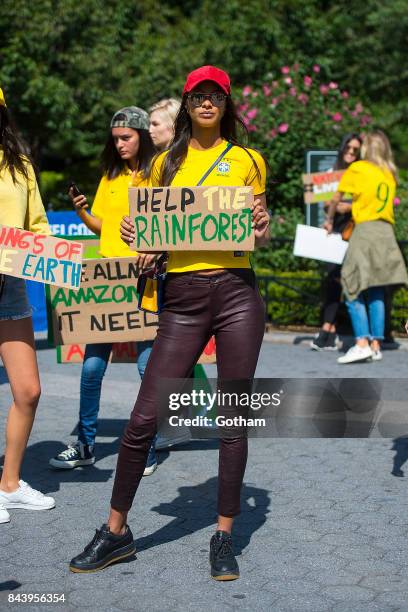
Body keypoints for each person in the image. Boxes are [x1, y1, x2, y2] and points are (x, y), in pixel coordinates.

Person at [69, 65, 271, 580]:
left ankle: (224, 535)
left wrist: (263, 226)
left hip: (236, 293)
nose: (207, 103)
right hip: (180, 297)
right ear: (187, 103)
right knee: (141, 420)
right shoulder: (163, 162)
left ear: (226, 104)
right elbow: (151, 232)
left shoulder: (248, 160)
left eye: (216, 96)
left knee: (232, 417)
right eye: (198, 96)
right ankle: (116, 532)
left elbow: (258, 230)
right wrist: (142, 236)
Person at [49, 107, 159, 475]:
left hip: (145, 278)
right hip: (108, 283)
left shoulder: (158, 174)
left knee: (147, 368)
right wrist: (82, 212)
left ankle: (150, 448)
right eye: (115, 138)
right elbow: (102, 228)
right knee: (92, 368)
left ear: (142, 136)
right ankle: (85, 444)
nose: (119, 144)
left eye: (125, 137)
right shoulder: (109, 176)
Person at [0, 88, 55, 524]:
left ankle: (10, 484)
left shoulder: (19, 166)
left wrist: (61, 265)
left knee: (28, 390)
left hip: (11, 285)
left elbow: (37, 227)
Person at [324, 131, 408, 364]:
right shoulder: (389, 173)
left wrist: (329, 219)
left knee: (351, 285)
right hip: (386, 233)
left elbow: (335, 198)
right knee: (377, 289)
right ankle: (375, 345)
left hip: (366, 232)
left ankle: (361, 342)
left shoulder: (359, 169)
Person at [311, 133, 362, 350]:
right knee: (332, 277)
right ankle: (328, 329)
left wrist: (348, 206)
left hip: (355, 230)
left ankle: (329, 330)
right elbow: (322, 203)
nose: (351, 153)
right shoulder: (332, 172)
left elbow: (367, 201)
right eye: (348, 148)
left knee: (347, 280)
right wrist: (332, 208)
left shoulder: (361, 173)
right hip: (334, 229)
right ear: (342, 149)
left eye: (355, 150)